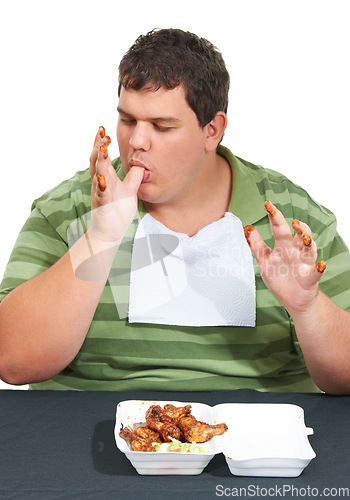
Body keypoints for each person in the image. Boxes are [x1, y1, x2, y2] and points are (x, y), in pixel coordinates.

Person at [0, 28, 349, 394]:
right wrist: (101, 236)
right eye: (128, 120)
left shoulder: (289, 218)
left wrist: (308, 309)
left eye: (162, 127)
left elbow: (345, 377)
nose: (136, 142)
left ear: (212, 130)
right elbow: (13, 361)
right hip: (93, 430)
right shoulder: (68, 208)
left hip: (256, 439)